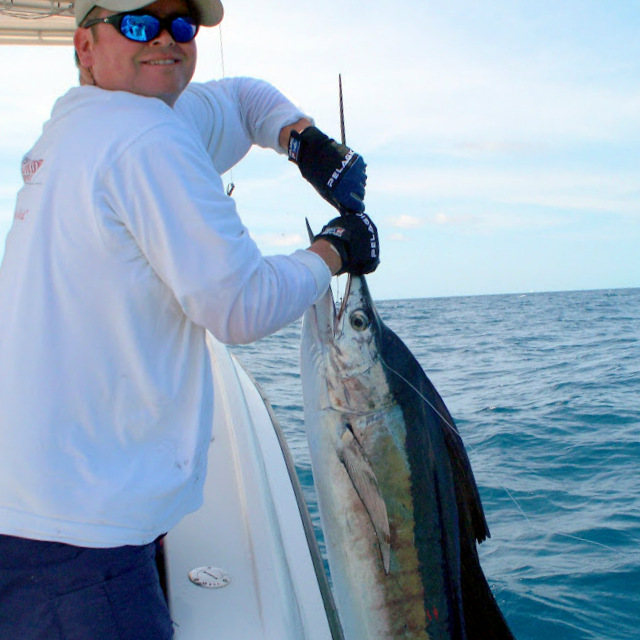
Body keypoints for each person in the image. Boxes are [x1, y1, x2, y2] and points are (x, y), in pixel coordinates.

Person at [0, 0, 379, 637]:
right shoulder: (146, 136)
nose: (166, 40)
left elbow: (239, 100)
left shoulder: (87, 121)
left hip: (40, 505)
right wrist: (334, 251)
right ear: (85, 46)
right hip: (80, 545)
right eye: (139, 23)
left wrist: (301, 139)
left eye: (182, 25)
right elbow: (240, 304)